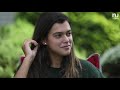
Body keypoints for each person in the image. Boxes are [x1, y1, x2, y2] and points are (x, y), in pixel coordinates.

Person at [14, 12, 104, 78]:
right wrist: (28, 58)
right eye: (58, 35)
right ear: (44, 40)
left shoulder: (86, 70)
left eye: (68, 34)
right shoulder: (30, 69)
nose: (66, 40)